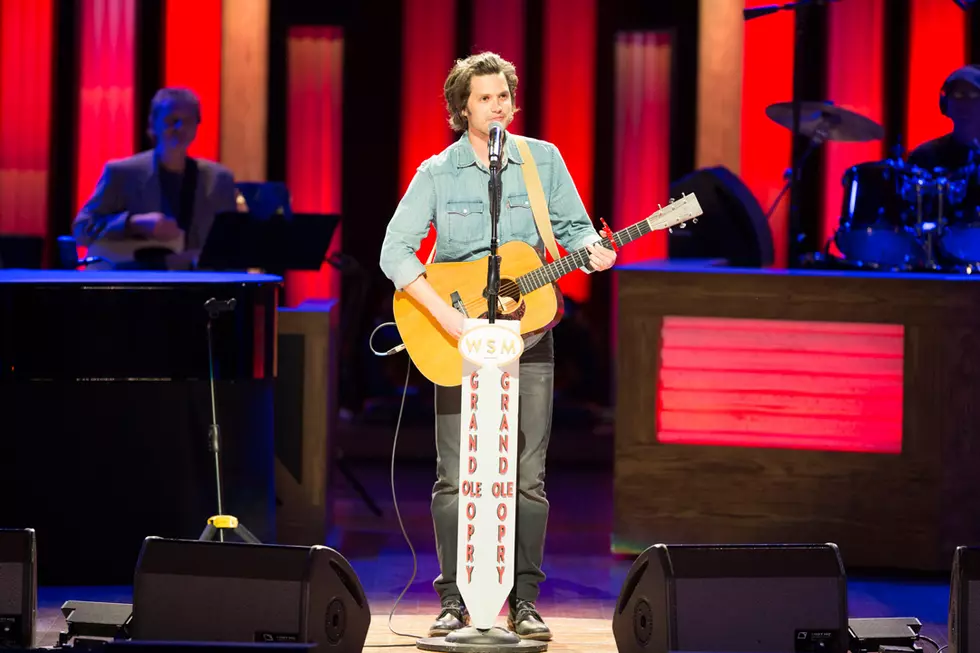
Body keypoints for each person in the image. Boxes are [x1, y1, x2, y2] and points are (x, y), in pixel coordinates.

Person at [379, 52, 616, 641]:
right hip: (454, 339)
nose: (497, 105)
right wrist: (446, 318)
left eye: (503, 95)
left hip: (528, 336)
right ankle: (455, 601)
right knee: (455, 475)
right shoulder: (437, 172)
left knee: (527, 475)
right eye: (484, 98)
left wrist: (595, 249)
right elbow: (394, 252)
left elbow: (574, 229)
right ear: (462, 110)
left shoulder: (543, 161)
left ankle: (525, 601)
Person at [73, 87, 238, 270]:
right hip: (136, 287)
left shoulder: (219, 179)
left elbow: (230, 247)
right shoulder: (122, 172)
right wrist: (133, 223)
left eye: (188, 121)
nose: (180, 127)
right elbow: (82, 229)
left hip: (201, 290)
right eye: (172, 120)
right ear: (153, 123)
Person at [908, 64, 980, 171]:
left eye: (974, 96)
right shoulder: (924, 157)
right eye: (958, 95)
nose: (965, 104)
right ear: (945, 104)